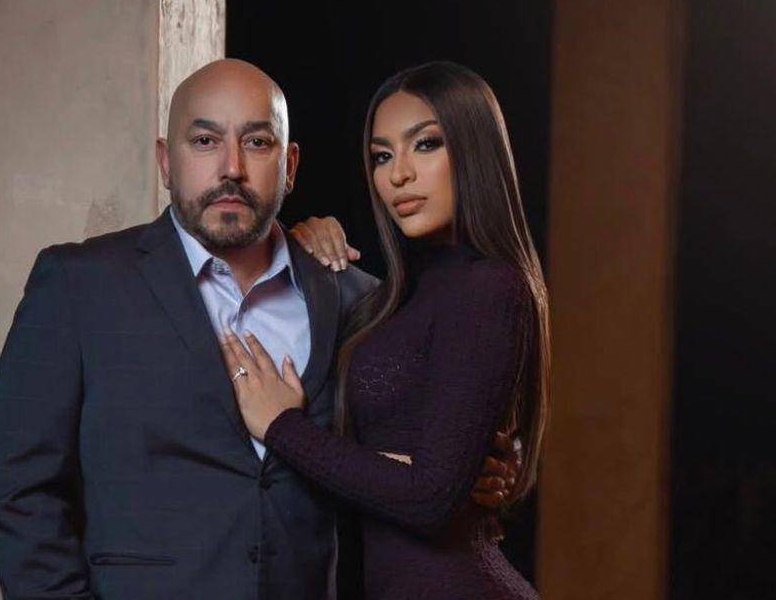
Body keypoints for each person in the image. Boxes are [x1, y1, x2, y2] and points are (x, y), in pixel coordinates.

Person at [0, 59, 519, 599]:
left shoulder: (359, 300)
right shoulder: (79, 285)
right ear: (165, 162)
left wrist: (484, 464)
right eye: (204, 141)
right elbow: (15, 488)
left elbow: (413, 450)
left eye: (257, 142)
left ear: (290, 165)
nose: (231, 167)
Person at [222, 61, 549, 599]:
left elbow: (428, 499)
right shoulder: (402, 294)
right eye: (382, 155)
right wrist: (301, 244)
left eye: (426, 145)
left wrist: (282, 426)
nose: (398, 175)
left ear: (474, 150)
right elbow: (413, 472)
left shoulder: (489, 287)